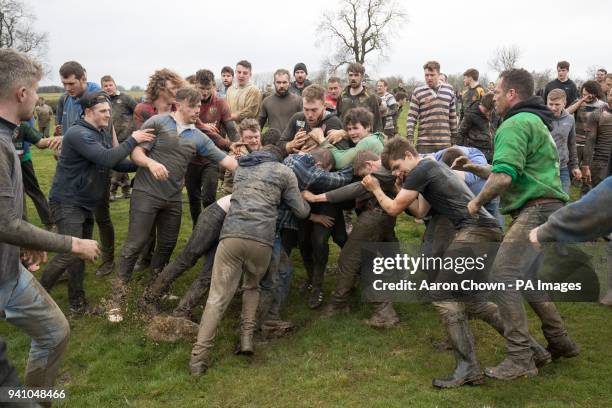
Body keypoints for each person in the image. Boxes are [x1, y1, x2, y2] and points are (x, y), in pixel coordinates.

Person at [361, 137, 516, 388]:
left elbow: (392, 209)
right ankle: (531, 350)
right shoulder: (428, 169)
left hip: (476, 231)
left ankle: (468, 368)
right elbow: (420, 211)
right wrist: (402, 188)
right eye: (394, 171)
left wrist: (376, 189)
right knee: (473, 302)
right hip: (484, 230)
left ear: (410, 155)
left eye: (398, 166)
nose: (398, 172)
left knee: (442, 295)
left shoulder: (424, 168)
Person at [466, 69, 579, 380]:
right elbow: (514, 167)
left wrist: (476, 202)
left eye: (498, 92)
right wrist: (474, 165)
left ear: (512, 94)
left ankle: (520, 358)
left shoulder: (514, 123)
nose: (495, 97)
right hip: (549, 207)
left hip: (536, 209)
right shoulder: (534, 120)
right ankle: (560, 340)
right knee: (527, 278)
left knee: (503, 277)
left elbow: (504, 177)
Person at [0, 47, 99, 393]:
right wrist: (72, 243)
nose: (40, 97)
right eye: (37, 89)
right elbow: (4, 224)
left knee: (55, 332)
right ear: (22, 93)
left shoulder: (7, 137)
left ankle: (37, 399)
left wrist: (26, 243)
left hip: (10, 270)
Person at [110, 87, 238, 322]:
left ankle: (153, 292)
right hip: (146, 194)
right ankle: (116, 299)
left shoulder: (198, 136)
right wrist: (150, 163)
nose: (198, 111)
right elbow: (136, 153)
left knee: (167, 245)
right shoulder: (158, 123)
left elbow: (225, 159)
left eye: (200, 107)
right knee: (134, 244)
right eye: (193, 107)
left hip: (172, 198)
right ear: (179, 106)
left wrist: (253, 167)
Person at [189, 145, 310, 376]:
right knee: (252, 287)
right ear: (279, 158)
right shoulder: (284, 172)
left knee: (217, 299)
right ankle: (246, 340)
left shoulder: (242, 169)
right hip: (262, 240)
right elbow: (302, 212)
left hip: (232, 235)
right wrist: (305, 198)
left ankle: (198, 358)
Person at [40, 92, 154, 313]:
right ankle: (30, 299)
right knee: (68, 253)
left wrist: (144, 165)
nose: (108, 115)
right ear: (89, 112)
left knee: (79, 254)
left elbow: (117, 163)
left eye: (109, 111)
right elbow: (106, 158)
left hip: (84, 202)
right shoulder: (78, 133)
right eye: (103, 111)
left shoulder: (100, 132)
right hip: (67, 202)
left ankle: (77, 303)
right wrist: (134, 139)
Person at [303, 150, 400, 328]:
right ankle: (384, 313)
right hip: (381, 219)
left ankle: (339, 304)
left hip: (373, 218)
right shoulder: (387, 170)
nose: (364, 179)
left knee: (348, 260)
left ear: (369, 166)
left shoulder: (381, 172)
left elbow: (354, 189)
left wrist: (316, 197)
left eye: (363, 175)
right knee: (366, 264)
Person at [131, 68, 185, 272]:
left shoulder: (178, 109)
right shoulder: (143, 109)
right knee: (146, 220)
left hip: (171, 172)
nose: (176, 91)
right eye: (173, 87)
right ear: (161, 86)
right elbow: (140, 139)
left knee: (166, 222)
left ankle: (158, 265)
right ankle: (144, 256)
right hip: (148, 169)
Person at [186, 69, 238, 225]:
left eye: (208, 89)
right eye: (201, 88)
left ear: (214, 86)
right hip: (190, 157)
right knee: (193, 199)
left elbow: (231, 130)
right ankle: (197, 229)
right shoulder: (189, 103)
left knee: (208, 198)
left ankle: (210, 230)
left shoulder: (220, 104)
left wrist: (237, 145)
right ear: (195, 86)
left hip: (211, 158)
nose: (204, 92)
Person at [278, 84, 346, 155]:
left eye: (314, 110)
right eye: (306, 109)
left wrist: (313, 153)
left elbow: (343, 156)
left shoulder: (333, 122)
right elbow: (279, 145)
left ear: (324, 107)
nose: (309, 115)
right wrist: (292, 144)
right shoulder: (297, 118)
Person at [101, 75, 138, 201]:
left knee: (115, 164)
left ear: (115, 85)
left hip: (125, 137)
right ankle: (127, 190)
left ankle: (111, 191)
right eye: (105, 86)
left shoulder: (125, 98)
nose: (108, 88)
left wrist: (134, 128)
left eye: (110, 85)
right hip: (109, 137)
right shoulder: (103, 101)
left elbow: (137, 112)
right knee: (119, 164)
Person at [407, 61, 458, 153]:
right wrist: (410, 137)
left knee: (445, 167)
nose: (429, 78)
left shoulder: (449, 91)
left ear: (438, 74)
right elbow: (411, 117)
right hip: (424, 144)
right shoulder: (418, 92)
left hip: (445, 143)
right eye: (426, 75)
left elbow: (453, 117)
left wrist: (454, 138)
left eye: (432, 75)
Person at [566, 80, 606, 195]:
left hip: (592, 145)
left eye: (588, 94)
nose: (586, 96)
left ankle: (585, 199)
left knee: (588, 176)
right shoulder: (578, 102)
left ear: (595, 93)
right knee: (570, 172)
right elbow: (566, 112)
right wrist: (581, 101)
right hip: (576, 143)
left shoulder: (602, 106)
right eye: (583, 94)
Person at [546, 89, 581, 194]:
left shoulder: (570, 119)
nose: (553, 108)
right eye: (550, 104)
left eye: (557, 104)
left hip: (563, 168)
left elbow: (571, 143)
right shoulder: (541, 118)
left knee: (564, 199)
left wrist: (575, 166)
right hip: (544, 167)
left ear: (564, 104)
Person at [336, 63, 382, 132]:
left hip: (364, 139)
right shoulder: (342, 96)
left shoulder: (370, 97)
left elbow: (377, 123)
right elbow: (338, 117)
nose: (353, 78)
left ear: (362, 77)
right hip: (344, 138)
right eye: (350, 75)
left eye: (356, 75)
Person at [221, 118, 262, 195]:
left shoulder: (263, 149)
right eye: (249, 137)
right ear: (241, 138)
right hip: (233, 195)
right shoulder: (237, 152)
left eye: (256, 137)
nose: (254, 141)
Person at [582, 87, 612, 189]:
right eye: (611, 95)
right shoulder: (596, 115)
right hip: (601, 163)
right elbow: (589, 141)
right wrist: (586, 165)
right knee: (599, 198)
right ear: (607, 95)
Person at [259, 69, 303, 133]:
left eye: (284, 82)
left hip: (293, 141)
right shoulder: (266, 102)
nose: (281, 85)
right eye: (278, 82)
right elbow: (259, 126)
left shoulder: (298, 101)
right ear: (274, 83)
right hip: (273, 141)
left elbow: (303, 123)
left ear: (289, 83)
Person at [456, 93, 495, 162]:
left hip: (491, 155)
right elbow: (460, 133)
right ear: (481, 104)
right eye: (485, 111)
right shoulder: (471, 114)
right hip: (475, 155)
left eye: (490, 111)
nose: (488, 114)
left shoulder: (495, 113)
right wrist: (459, 152)